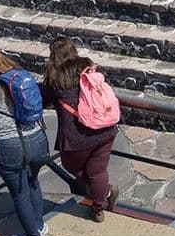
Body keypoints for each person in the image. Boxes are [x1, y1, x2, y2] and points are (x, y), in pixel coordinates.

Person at [0, 49, 49, 236]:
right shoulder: (23, 76)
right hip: (36, 138)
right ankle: (40, 226)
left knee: (19, 193)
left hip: (9, 144)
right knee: (33, 182)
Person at [42, 37, 119, 222]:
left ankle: (105, 192)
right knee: (97, 171)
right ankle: (99, 207)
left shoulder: (55, 77)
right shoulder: (88, 67)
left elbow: (43, 98)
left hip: (77, 135)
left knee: (71, 166)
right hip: (105, 128)